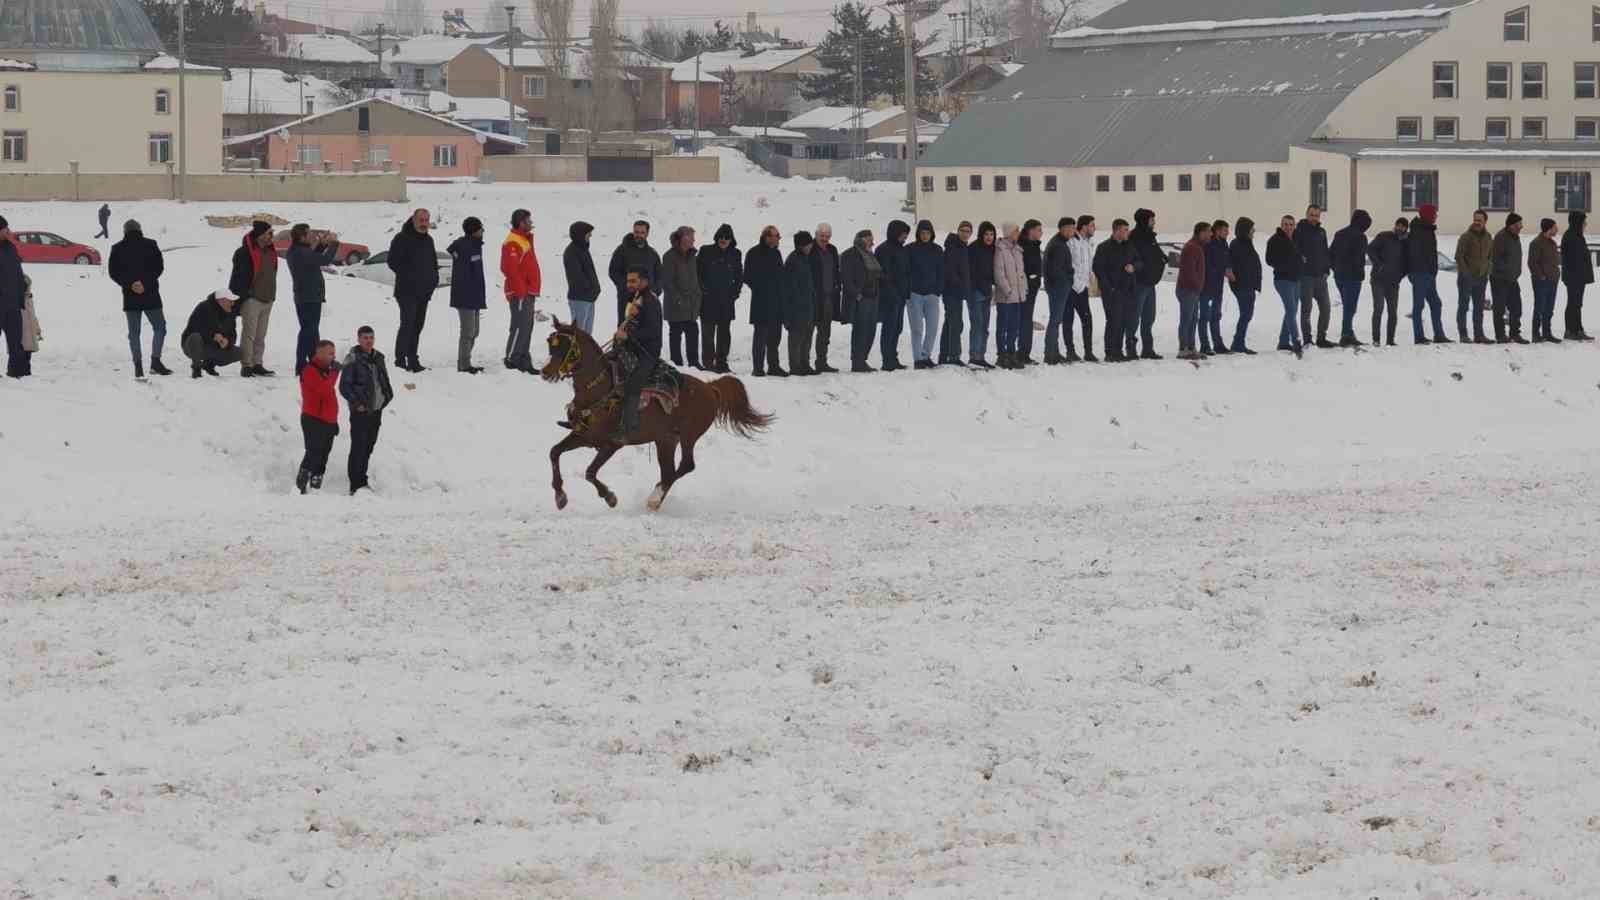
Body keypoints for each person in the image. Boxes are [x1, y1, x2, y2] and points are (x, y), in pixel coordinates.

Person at [108, 218, 169, 378]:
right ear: (140, 229)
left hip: (130, 296)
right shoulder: (151, 244)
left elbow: (113, 272)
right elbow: (159, 267)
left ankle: (138, 366)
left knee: (134, 333)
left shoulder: (117, 248)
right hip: (151, 294)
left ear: (125, 231)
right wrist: (145, 284)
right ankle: (155, 361)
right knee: (160, 327)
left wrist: (130, 284)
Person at [609, 267, 664, 436]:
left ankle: (628, 428)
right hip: (630, 348)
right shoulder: (634, 298)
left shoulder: (651, 301)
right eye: (628, 281)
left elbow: (653, 331)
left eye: (633, 281)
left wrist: (627, 335)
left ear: (645, 281)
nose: (629, 284)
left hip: (647, 353)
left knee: (633, 385)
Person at [339, 325, 394, 495]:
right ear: (358, 339)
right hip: (361, 411)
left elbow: (383, 380)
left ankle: (362, 477)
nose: (368, 341)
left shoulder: (378, 357)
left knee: (369, 445)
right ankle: (356, 483)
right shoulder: (352, 359)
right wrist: (357, 404)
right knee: (359, 446)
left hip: (376, 409)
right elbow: (344, 387)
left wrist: (386, 397)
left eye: (371, 338)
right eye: (365, 338)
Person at [387, 208, 439, 373]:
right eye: (421, 220)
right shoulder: (402, 238)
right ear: (414, 220)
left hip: (424, 291)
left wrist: (433, 279)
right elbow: (392, 262)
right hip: (406, 291)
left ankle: (413, 359)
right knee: (407, 325)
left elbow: (433, 262)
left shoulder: (428, 240)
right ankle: (400, 361)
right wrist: (409, 275)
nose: (424, 224)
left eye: (426, 220)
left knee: (418, 326)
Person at [285, 223, 340, 375]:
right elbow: (325, 260)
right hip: (308, 296)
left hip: (307, 296)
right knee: (308, 331)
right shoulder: (301, 252)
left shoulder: (298, 250)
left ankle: (314, 361)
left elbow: (313, 258)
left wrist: (322, 245)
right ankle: (302, 365)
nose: (313, 236)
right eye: (309, 234)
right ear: (302, 237)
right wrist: (334, 243)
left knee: (311, 331)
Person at [229, 220, 279, 377]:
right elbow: (237, 278)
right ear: (260, 235)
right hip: (252, 299)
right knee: (249, 334)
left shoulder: (271, 251)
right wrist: (242, 296)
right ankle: (247, 365)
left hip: (267, 298)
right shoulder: (243, 252)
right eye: (269, 233)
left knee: (260, 335)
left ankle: (257, 363)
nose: (272, 236)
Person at [297, 339, 340, 494]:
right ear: (319, 353)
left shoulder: (327, 370)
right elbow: (324, 389)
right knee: (313, 451)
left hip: (328, 420)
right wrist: (335, 372)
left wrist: (334, 421)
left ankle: (316, 483)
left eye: (333, 353)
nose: (333, 357)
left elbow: (330, 396)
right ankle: (300, 484)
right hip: (312, 418)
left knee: (324, 454)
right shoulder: (309, 370)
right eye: (330, 353)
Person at [1092, 218, 1138, 363]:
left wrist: (1133, 266)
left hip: (1127, 291)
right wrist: (1108, 288)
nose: (1127, 233)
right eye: (1125, 230)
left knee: (1124, 321)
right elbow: (1098, 268)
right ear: (1117, 230)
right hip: (1112, 291)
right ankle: (1110, 352)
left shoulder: (1129, 246)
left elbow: (1139, 261)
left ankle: (1118, 351)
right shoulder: (1104, 247)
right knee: (1113, 321)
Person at [697, 223, 741, 373]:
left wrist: (735, 293)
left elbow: (739, 276)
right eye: (721, 237)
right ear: (717, 237)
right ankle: (708, 364)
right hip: (708, 300)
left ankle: (722, 363)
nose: (724, 240)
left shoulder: (735, 254)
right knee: (707, 334)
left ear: (731, 239)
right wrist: (703, 290)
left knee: (724, 334)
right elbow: (698, 273)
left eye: (727, 237)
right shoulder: (705, 251)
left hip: (726, 301)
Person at [500, 208, 540, 373]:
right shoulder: (513, 242)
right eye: (528, 220)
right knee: (519, 326)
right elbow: (510, 269)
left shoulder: (524, 240)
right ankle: (512, 358)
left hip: (528, 292)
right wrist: (521, 290)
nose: (531, 223)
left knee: (527, 326)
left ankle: (523, 358)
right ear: (521, 222)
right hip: (520, 293)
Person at [659, 225, 703, 369]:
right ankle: (676, 363)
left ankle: (694, 362)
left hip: (691, 304)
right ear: (683, 237)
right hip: (675, 305)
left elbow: (695, 279)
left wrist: (697, 296)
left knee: (693, 332)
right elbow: (667, 282)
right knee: (675, 334)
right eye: (691, 236)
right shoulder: (669, 256)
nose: (693, 240)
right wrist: (678, 299)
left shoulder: (692, 256)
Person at [744, 225, 785, 377]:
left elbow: (781, 275)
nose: (778, 239)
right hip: (761, 301)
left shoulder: (777, 253)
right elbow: (747, 276)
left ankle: (774, 366)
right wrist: (762, 288)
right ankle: (758, 368)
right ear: (767, 237)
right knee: (760, 336)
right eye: (777, 236)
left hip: (777, 301)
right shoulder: (754, 253)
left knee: (775, 336)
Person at [447, 217, 487, 373]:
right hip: (465, 296)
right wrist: (469, 294)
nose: (483, 231)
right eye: (480, 228)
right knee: (468, 332)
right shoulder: (465, 246)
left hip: (475, 295)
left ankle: (466, 361)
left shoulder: (475, 245)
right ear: (474, 230)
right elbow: (464, 274)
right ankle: (463, 365)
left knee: (474, 332)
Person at [1407, 203, 1449, 344]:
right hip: (1420, 273)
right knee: (1419, 305)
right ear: (1427, 215)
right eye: (1434, 214)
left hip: (1428, 273)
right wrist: (1424, 269)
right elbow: (1416, 253)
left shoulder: (1427, 230)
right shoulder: (1418, 231)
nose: (1436, 216)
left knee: (1436, 303)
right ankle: (1419, 336)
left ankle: (1439, 335)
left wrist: (1432, 270)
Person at [1329, 209, 1372, 347]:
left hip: (1339, 276)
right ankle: (1346, 335)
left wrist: (1335, 268)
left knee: (1348, 306)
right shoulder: (1360, 237)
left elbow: (1331, 254)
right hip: (1353, 277)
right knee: (1350, 307)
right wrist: (1358, 270)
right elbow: (1359, 258)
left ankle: (1349, 332)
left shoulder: (1339, 233)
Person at [842, 229, 882, 373]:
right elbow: (846, 278)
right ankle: (857, 361)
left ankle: (863, 359)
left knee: (871, 330)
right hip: (861, 299)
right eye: (869, 239)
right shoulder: (849, 255)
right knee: (861, 330)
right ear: (861, 239)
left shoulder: (870, 254)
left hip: (873, 298)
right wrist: (856, 294)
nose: (872, 241)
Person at [905, 219, 943, 370]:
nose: (925, 236)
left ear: (931, 234)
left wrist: (938, 290)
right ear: (918, 234)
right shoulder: (910, 249)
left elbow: (941, 271)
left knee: (933, 327)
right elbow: (906, 271)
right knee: (917, 329)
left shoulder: (938, 250)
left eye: (928, 233)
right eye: (922, 233)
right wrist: (909, 289)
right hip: (915, 294)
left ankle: (926, 355)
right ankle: (918, 359)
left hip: (932, 295)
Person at [1294, 205, 1333, 349]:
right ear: (1306, 214)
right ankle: (1307, 339)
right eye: (1311, 215)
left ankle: (1321, 338)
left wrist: (1326, 270)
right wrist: (1301, 260)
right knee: (1306, 309)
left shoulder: (1321, 232)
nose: (1314, 218)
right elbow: (1295, 250)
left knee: (1326, 308)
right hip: (1306, 277)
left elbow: (1325, 252)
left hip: (1320, 276)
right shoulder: (1299, 231)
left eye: (1316, 215)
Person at [608, 220, 660, 326]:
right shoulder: (622, 250)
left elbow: (660, 275)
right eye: (636, 232)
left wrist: (655, 292)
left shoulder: (652, 253)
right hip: (627, 299)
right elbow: (613, 271)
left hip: (647, 300)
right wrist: (626, 287)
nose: (639, 235)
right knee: (626, 328)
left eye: (642, 232)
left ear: (647, 234)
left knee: (646, 329)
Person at [180, 289, 243, 377]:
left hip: (213, 347)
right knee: (195, 337)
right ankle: (196, 368)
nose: (233, 303)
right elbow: (194, 328)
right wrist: (212, 336)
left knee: (241, 352)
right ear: (221, 301)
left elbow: (233, 334)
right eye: (230, 301)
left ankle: (209, 365)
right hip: (193, 346)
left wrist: (227, 342)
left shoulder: (230, 313)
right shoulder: (203, 307)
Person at [1367, 218, 1409, 347]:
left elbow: (1408, 261)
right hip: (1378, 280)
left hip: (1393, 283)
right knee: (1378, 308)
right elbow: (1370, 249)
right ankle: (1376, 339)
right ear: (1395, 225)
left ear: (1406, 229)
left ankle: (1390, 340)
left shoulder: (1406, 242)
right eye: (1398, 225)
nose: (1399, 228)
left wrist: (1401, 275)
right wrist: (1379, 265)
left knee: (1393, 312)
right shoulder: (1384, 236)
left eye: (1403, 226)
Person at [1129, 208, 1165, 360]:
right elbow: (1134, 258)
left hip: (1150, 283)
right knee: (1134, 318)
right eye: (1151, 220)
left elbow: (1154, 254)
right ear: (1144, 220)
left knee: (1149, 318)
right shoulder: (1134, 237)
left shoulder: (1150, 237)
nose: (1154, 222)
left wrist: (1162, 258)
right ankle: (1130, 348)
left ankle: (1147, 349)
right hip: (1139, 283)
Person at [1264, 215, 1303, 355]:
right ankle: (1296, 341)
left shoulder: (1295, 238)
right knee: (1291, 310)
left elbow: (1298, 255)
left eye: (1291, 225)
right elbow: (1269, 260)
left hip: (1296, 279)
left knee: (1292, 310)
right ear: (1281, 225)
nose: (1288, 227)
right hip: (1283, 280)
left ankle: (1283, 342)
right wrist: (1286, 264)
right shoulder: (1274, 240)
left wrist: (1300, 261)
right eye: (1286, 224)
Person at [876, 219, 911, 372]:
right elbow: (884, 274)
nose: (905, 238)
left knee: (897, 327)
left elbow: (906, 272)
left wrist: (905, 291)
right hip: (889, 296)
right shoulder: (884, 249)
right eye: (903, 235)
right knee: (889, 328)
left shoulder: (901, 249)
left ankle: (893, 357)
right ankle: (887, 360)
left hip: (901, 295)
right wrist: (893, 292)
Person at [1453, 209, 1492, 345]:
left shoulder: (1488, 237)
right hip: (1466, 278)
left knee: (1479, 308)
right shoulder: (1466, 237)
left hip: (1481, 278)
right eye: (1475, 219)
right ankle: (1463, 334)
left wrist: (1487, 271)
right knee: (1463, 306)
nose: (1476, 222)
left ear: (1485, 221)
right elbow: (1459, 256)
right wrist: (1465, 273)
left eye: (1479, 220)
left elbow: (1489, 257)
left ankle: (1479, 334)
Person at [992, 222, 1027, 369]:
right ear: (1009, 232)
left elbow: (1021, 273)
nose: (1018, 233)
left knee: (1014, 327)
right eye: (1016, 230)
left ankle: (1012, 353)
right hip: (1006, 297)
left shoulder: (1018, 250)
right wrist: (1008, 291)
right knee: (1003, 327)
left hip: (1017, 296)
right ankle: (1002, 354)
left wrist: (1023, 289)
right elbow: (999, 273)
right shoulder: (1000, 249)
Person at [782, 231, 817, 375]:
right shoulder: (793, 260)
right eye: (808, 244)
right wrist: (794, 305)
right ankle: (795, 366)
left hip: (808, 305)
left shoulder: (806, 259)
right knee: (796, 337)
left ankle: (805, 363)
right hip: (797, 307)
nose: (810, 247)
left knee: (807, 336)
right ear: (801, 245)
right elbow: (790, 287)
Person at [1043, 216, 1076, 365]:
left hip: (1058, 287)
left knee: (1056, 321)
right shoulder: (1058, 245)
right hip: (1058, 288)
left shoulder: (1060, 243)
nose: (1073, 231)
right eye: (1071, 228)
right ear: (1063, 228)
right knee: (1055, 321)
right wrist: (1068, 280)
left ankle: (1053, 351)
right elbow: (1055, 270)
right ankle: (1050, 354)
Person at [810, 224, 842, 373]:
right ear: (816, 235)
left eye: (827, 236)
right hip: (814, 298)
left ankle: (821, 362)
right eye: (822, 236)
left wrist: (837, 287)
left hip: (829, 298)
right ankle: (802, 362)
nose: (824, 239)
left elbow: (836, 271)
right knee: (808, 331)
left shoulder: (832, 250)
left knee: (825, 333)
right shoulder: (810, 249)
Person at [1491, 213, 1527, 344]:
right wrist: (1506, 272)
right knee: (1499, 308)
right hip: (1499, 279)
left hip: (1512, 279)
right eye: (1518, 224)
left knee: (1516, 307)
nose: (1521, 227)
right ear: (1511, 225)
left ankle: (1514, 333)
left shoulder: (1515, 237)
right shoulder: (1501, 237)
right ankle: (1500, 335)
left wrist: (1515, 273)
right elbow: (1496, 259)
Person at [1175, 222, 1209, 360]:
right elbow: (1189, 271)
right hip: (1187, 289)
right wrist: (1196, 285)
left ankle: (1191, 347)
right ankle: (1183, 349)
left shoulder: (1198, 247)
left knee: (1193, 319)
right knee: (1187, 319)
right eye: (1208, 231)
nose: (1210, 234)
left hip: (1193, 290)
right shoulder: (1191, 247)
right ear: (1200, 232)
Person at [1227, 217, 1261, 354]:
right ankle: (1238, 343)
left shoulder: (1247, 243)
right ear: (1245, 230)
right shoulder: (1237, 244)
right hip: (1242, 285)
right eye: (1251, 229)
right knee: (1246, 314)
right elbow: (1231, 263)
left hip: (1248, 285)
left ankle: (1238, 342)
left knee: (1247, 314)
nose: (1253, 231)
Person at [940, 222, 971, 366]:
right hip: (951, 291)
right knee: (956, 323)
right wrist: (959, 284)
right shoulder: (953, 247)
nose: (965, 233)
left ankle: (944, 354)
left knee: (950, 323)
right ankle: (953, 356)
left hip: (958, 292)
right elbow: (950, 271)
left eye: (968, 231)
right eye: (963, 231)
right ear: (958, 231)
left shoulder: (963, 248)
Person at [1068, 215, 1098, 362]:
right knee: (1068, 321)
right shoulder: (1072, 241)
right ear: (1084, 226)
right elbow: (1070, 265)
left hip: (1083, 288)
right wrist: (1075, 282)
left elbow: (1087, 265)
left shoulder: (1088, 243)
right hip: (1071, 288)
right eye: (1092, 225)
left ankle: (1088, 351)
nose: (1094, 228)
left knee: (1087, 320)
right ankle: (1070, 351)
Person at [968, 222, 997, 369]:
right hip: (975, 292)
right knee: (977, 325)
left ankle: (981, 355)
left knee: (984, 326)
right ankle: (974, 356)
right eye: (986, 234)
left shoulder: (993, 249)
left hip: (987, 292)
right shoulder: (973, 248)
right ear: (981, 234)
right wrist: (978, 288)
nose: (989, 237)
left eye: (991, 234)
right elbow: (971, 272)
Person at [563, 221, 601, 336]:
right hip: (579, 298)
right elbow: (576, 277)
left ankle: (585, 354)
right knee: (578, 333)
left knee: (586, 335)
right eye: (588, 233)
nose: (590, 236)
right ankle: (576, 354)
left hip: (588, 298)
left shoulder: (583, 249)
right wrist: (590, 289)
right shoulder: (571, 252)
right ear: (580, 235)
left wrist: (594, 290)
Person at [1562, 211, 1594, 341]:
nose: (1585, 224)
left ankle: (1578, 329)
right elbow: (1571, 259)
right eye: (1583, 221)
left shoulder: (1578, 235)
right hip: (1573, 277)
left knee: (1577, 304)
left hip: (1579, 277)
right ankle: (1570, 330)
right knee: (1573, 304)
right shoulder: (1570, 236)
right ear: (1577, 222)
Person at [1201, 219, 1232, 354]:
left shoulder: (1224, 243)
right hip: (1207, 286)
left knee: (1216, 315)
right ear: (1218, 230)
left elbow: (1225, 260)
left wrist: (1228, 268)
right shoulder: (1209, 244)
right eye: (1225, 230)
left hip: (1218, 285)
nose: (1228, 233)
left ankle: (1218, 344)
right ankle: (1205, 344)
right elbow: (1207, 265)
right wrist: (1221, 270)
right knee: (1204, 316)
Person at [1529, 217, 1562, 343]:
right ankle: (1536, 334)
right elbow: (1532, 263)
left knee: (1549, 308)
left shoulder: (1552, 243)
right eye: (1555, 227)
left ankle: (1547, 333)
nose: (1557, 229)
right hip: (1541, 281)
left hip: (1553, 280)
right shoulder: (1536, 243)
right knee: (1539, 308)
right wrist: (1541, 276)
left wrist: (1556, 274)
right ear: (1549, 229)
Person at [0, 217, 25, 378]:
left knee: (16, 341)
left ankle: (16, 371)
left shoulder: (11, 248)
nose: (8, 231)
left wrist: (22, 290)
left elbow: (17, 272)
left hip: (13, 304)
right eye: (4, 228)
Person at [1017, 219, 1043, 365]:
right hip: (1024, 289)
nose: (1041, 232)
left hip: (1032, 289)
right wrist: (1031, 279)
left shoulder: (1035, 245)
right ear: (1030, 230)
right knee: (1023, 321)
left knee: (1027, 320)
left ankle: (1024, 352)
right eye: (1039, 229)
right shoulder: (1023, 246)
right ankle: (1021, 353)